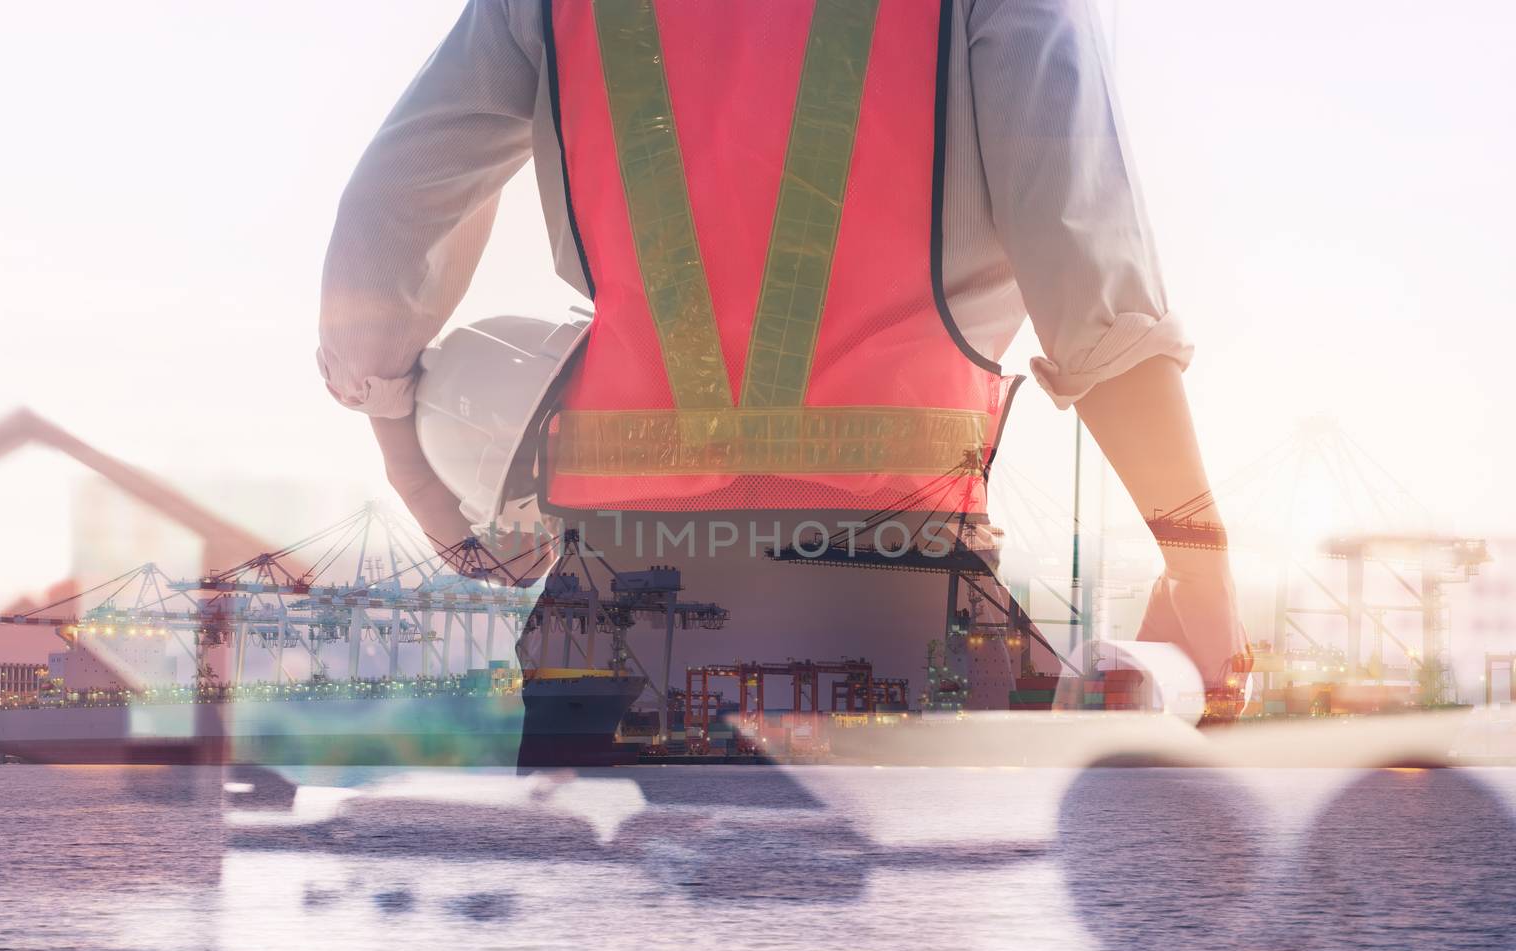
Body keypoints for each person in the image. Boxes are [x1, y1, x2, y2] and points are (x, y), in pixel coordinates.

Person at [316, 0, 1245, 728]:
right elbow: (1099, 297)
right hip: (891, 605)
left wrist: (412, 456)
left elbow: (395, 200)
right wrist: (1198, 568)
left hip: (613, 617)